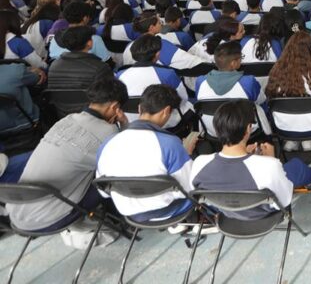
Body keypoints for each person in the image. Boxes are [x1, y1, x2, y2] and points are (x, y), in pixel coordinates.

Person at [6, 77, 128, 233]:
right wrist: (124, 124)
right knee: (110, 179)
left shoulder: (65, 121)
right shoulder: (108, 132)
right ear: (115, 107)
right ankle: (120, 221)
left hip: (17, 215)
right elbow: (126, 160)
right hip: (49, 218)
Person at [190, 100, 311, 220]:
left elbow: (197, 196)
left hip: (226, 215)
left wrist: (246, 154)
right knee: (296, 166)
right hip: (263, 216)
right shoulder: (269, 165)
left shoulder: (199, 163)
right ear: (248, 129)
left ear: (217, 132)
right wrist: (271, 160)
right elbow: (284, 199)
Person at [96, 85, 196, 220]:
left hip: (130, 213)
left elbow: (104, 192)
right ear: (167, 111)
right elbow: (189, 188)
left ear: (139, 109)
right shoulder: (169, 143)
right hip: (169, 209)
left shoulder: (106, 144)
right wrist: (186, 154)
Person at [116, 34, 194, 134]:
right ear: (157, 54)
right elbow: (182, 99)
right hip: (164, 124)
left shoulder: (120, 75)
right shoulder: (167, 74)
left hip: (129, 122)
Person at [195, 41, 268, 137]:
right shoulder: (248, 82)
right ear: (233, 63)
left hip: (212, 129)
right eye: (240, 58)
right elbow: (261, 100)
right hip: (243, 130)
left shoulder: (200, 81)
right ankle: (267, 137)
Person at [48, 26, 114, 116]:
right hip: (93, 117)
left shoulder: (53, 66)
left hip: (62, 115)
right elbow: (108, 97)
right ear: (89, 43)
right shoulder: (100, 68)